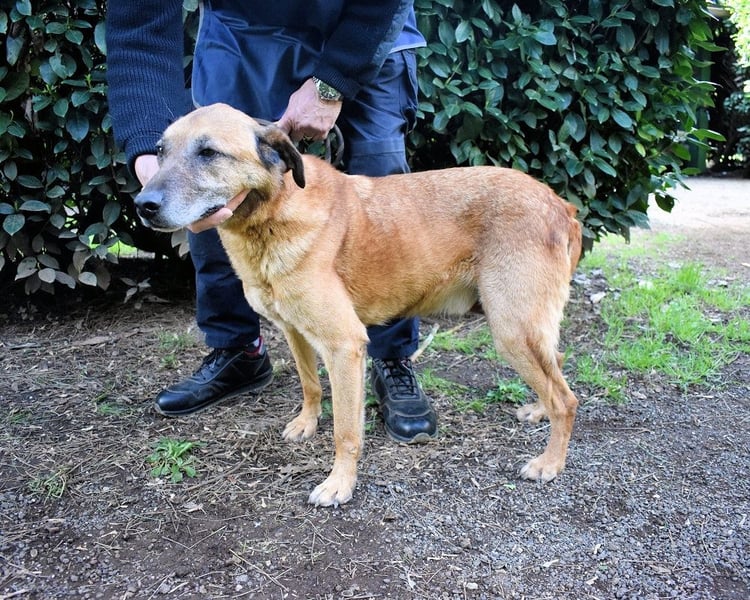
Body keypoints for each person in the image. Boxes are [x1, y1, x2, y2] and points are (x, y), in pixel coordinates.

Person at [106, 0, 438, 443]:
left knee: (382, 188)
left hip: (367, 30)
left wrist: (332, 82)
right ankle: (236, 349)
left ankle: (391, 356)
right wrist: (151, 151)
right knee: (213, 185)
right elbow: (140, 28)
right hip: (239, 39)